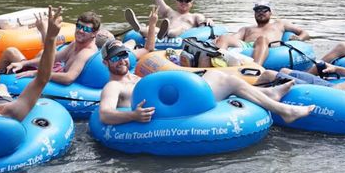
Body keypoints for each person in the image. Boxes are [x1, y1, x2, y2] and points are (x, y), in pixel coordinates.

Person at [97, 39, 315, 125]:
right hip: (166, 116)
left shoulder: (135, 77)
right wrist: (133, 115)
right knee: (227, 80)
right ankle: (282, 109)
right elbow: (105, 114)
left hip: (174, 107)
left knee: (213, 74)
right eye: (116, 57)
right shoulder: (113, 86)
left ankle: (269, 95)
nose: (122, 60)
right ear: (107, 63)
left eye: (124, 55)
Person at [0, 10, 101, 85]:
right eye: (79, 26)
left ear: (94, 33)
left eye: (86, 29)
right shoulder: (75, 43)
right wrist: (23, 63)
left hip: (58, 83)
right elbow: (55, 57)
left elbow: (69, 78)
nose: (80, 31)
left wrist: (37, 73)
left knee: (11, 52)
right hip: (56, 71)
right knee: (39, 53)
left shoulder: (86, 53)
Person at [214, 0, 310, 65]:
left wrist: (300, 38)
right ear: (254, 13)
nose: (261, 12)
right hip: (247, 47)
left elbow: (304, 32)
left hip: (268, 46)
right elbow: (234, 37)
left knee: (262, 39)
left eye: (264, 10)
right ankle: (218, 64)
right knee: (224, 37)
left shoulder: (280, 24)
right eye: (258, 10)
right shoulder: (247, 29)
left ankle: (255, 67)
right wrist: (218, 39)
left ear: (270, 12)